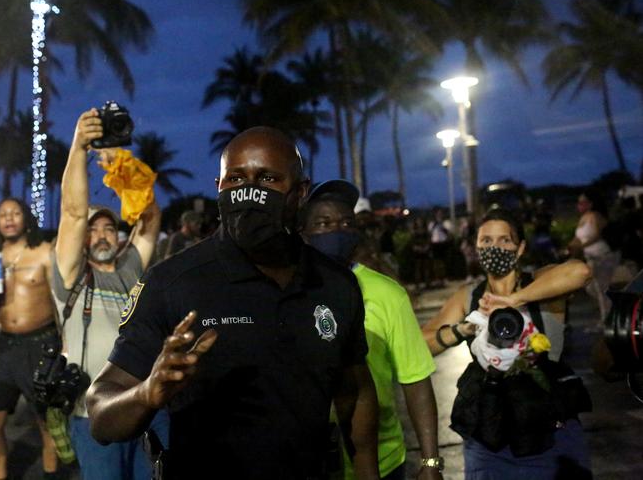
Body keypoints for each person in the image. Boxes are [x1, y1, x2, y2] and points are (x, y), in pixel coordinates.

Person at [86, 127, 379, 479]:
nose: (249, 192)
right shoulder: (171, 283)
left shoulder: (336, 284)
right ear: (219, 187)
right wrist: (146, 394)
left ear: (301, 193)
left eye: (267, 178)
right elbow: (101, 415)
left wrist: (367, 471)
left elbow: (355, 391)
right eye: (235, 179)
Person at [422, 208, 593, 479]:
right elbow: (423, 343)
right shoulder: (468, 298)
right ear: (476, 247)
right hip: (490, 442)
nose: (495, 247)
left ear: (521, 247)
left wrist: (515, 299)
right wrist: (463, 328)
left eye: (505, 240)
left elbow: (580, 271)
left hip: (551, 438)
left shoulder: (543, 286)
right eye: (486, 241)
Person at [300, 180, 443, 480]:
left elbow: (415, 378)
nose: (337, 230)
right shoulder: (285, 292)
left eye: (346, 223)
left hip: (382, 459)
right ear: (303, 233)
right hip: (307, 463)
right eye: (324, 223)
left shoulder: (388, 294)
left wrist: (430, 461)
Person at [51, 108, 164, 479]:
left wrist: (122, 164)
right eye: (93, 229)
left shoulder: (131, 267)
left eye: (109, 228)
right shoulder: (71, 276)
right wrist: (80, 146)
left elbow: (149, 221)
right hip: (92, 415)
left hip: (142, 406)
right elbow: (71, 212)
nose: (101, 234)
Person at [0, 198, 60, 480]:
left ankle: (51, 474)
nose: (9, 219)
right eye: (3, 215)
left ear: (26, 218)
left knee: (46, 421)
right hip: (5, 344)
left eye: (15, 213)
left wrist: (66, 348)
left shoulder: (45, 252)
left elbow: (61, 304)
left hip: (42, 342)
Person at [568, 191, 620, 324]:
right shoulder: (583, 218)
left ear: (591, 204)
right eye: (578, 202)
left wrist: (582, 246)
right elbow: (578, 238)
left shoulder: (596, 216)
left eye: (582, 202)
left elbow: (597, 235)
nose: (579, 205)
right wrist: (571, 246)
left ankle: (607, 319)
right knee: (591, 287)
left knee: (600, 287)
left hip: (602, 256)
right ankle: (611, 311)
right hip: (591, 257)